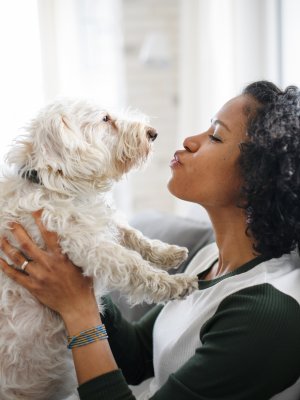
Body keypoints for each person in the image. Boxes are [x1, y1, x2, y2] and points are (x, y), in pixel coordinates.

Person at [1, 80, 300, 400]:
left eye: (215, 136)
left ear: (259, 176)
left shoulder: (269, 315)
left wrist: (77, 309)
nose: (189, 140)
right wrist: (73, 274)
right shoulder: (212, 258)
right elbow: (139, 356)